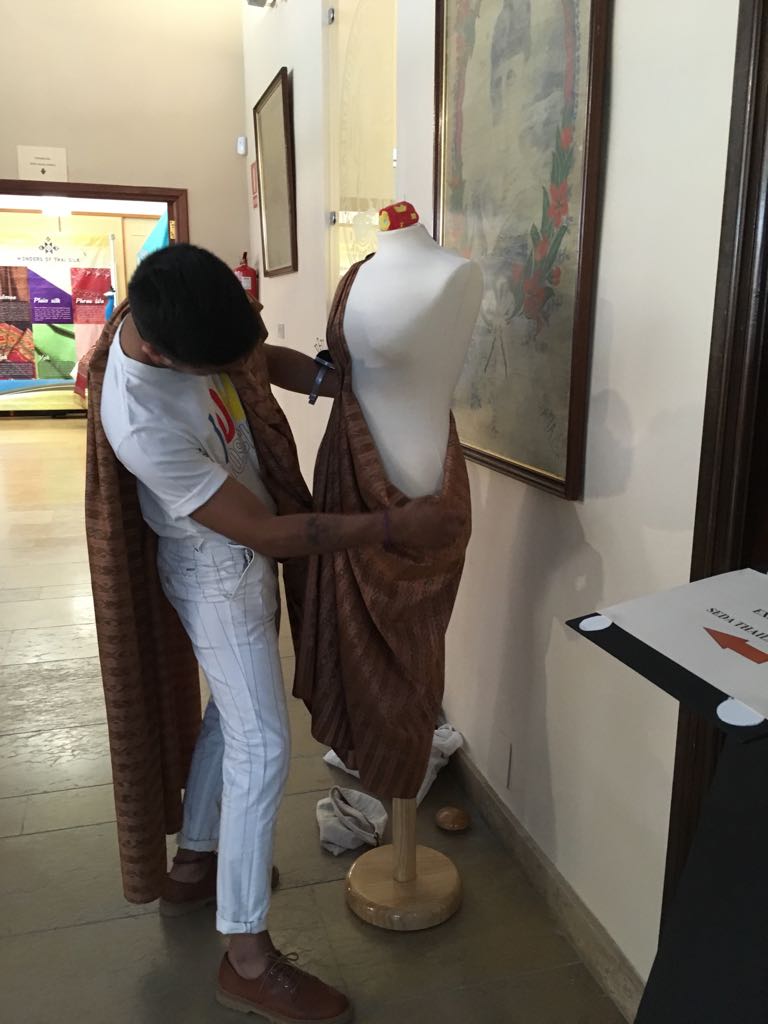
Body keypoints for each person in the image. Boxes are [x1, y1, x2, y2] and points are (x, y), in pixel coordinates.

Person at [98, 243, 463, 1023]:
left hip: (234, 559)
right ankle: (247, 957)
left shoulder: (175, 305)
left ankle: (198, 863)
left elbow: (257, 360)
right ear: (161, 355)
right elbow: (266, 534)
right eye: (218, 367)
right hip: (218, 570)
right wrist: (394, 525)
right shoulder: (141, 418)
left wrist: (339, 385)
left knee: (233, 720)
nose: (241, 369)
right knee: (263, 746)